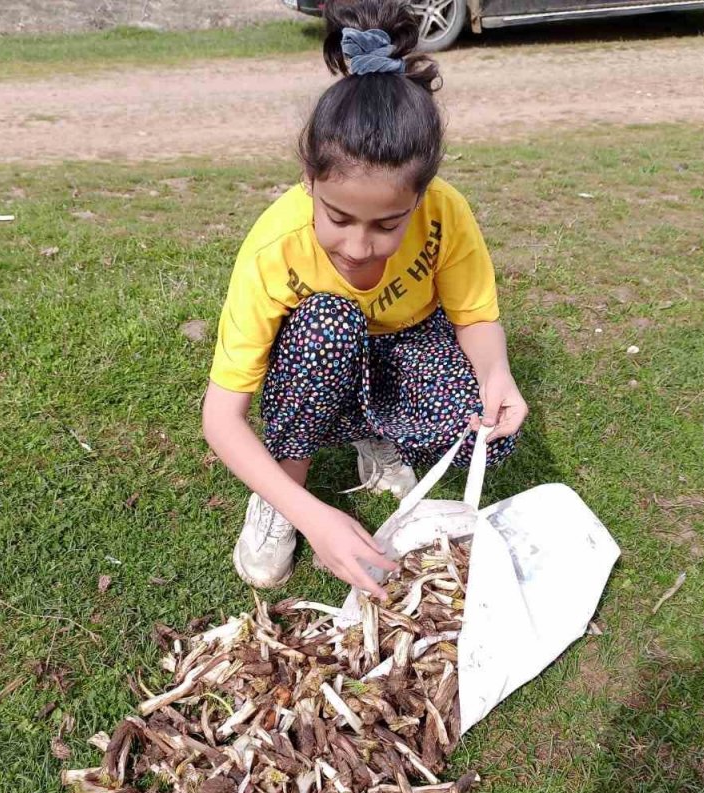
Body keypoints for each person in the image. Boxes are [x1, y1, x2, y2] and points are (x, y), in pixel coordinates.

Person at [201, 0, 527, 599]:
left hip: (406, 342)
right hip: (320, 352)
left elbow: (474, 312)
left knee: (492, 436)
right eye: (339, 216)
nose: (358, 246)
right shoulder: (277, 246)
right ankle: (282, 493)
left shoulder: (446, 213)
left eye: (387, 225)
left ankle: (375, 439)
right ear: (309, 178)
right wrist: (312, 516)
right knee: (328, 319)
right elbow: (221, 419)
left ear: (421, 196)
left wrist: (497, 374)